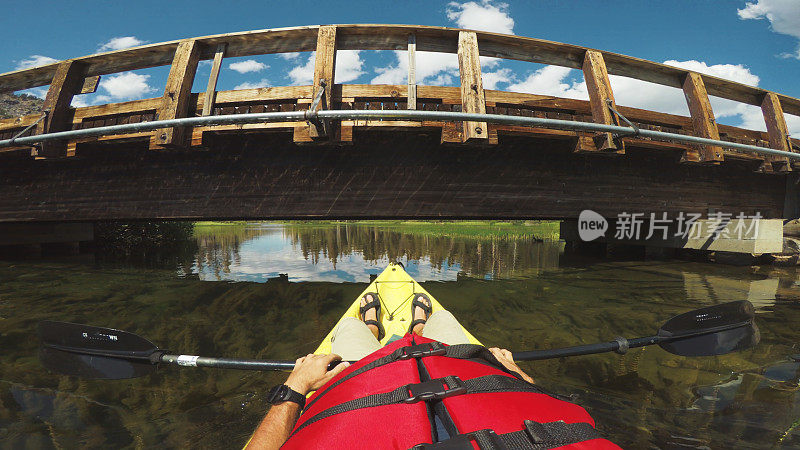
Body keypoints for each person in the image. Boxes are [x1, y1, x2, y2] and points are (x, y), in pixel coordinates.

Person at [246, 295, 611, 450]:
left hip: (362, 380)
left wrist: (294, 387)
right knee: (444, 317)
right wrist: (515, 376)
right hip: (459, 368)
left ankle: (371, 328)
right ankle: (421, 328)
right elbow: (556, 417)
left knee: (348, 332)